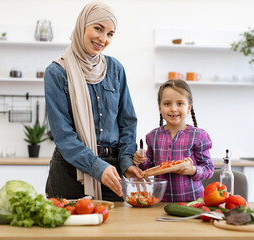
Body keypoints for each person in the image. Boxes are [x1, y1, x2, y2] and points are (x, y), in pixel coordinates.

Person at [44, 1, 142, 201]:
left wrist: (126, 161)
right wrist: (97, 167)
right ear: (82, 25)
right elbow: (63, 135)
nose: (103, 38)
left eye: (110, 33)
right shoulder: (56, 73)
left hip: (113, 171)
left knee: (114, 231)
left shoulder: (116, 69)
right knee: (69, 232)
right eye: (98, 28)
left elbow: (127, 122)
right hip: (70, 173)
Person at [133, 79, 214, 202]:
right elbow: (149, 167)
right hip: (160, 202)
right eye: (167, 104)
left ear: (189, 108)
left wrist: (193, 170)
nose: (174, 109)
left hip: (193, 202)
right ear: (160, 108)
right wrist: (141, 159)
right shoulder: (152, 136)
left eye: (180, 103)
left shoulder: (199, 136)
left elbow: (208, 169)